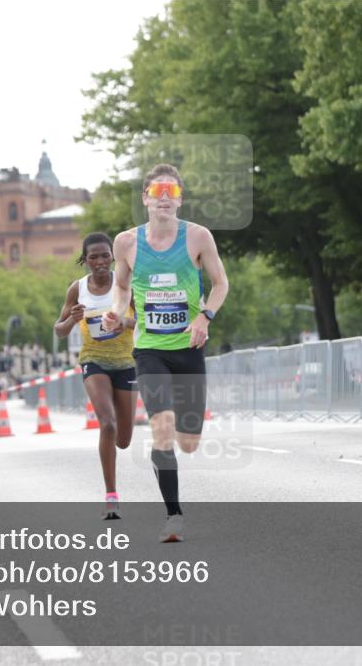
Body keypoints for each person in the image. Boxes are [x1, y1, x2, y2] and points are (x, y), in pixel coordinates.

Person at [103, 164, 229, 542]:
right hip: (150, 350)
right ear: (144, 198)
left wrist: (205, 317)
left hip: (189, 348)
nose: (163, 198)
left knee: (188, 441)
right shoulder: (126, 243)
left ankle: (183, 442)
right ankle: (173, 515)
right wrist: (116, 310)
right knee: (161, 427)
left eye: (171, 192)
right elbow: (122, 288)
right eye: (157, 191)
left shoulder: (198, 238)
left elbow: (221, 283)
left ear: (179, 200)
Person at [56, 232, 139, 521]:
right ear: (85, 260)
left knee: (124, 439)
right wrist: (71, 319)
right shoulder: (77, 289)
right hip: (94, 362)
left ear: (112, 257)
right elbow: (59, 329)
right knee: (107, 423)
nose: (100, 261)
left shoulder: (125, 283)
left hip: (127, 363)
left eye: (105, 255)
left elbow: (143, 319)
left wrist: (124, 323)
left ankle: (115, 440)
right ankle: (111, 496)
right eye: (94, 257)